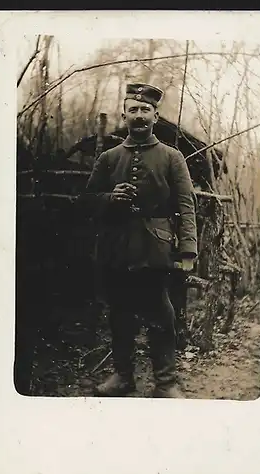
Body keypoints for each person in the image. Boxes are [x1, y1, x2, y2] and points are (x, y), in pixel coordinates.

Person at [85, 83, 198, 398]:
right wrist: (110, 197)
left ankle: (166, 382)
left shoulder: (172, 157)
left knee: (160, 314)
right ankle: (123, 377)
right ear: (124, 114)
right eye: (133, 109)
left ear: (155, 115)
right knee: (120, 313)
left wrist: (188, 249)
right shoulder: (109, 158)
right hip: (116, 247)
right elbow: (86, 201)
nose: (138, 115)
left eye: (144, 110)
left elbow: (187, 205)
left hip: (155, 247)